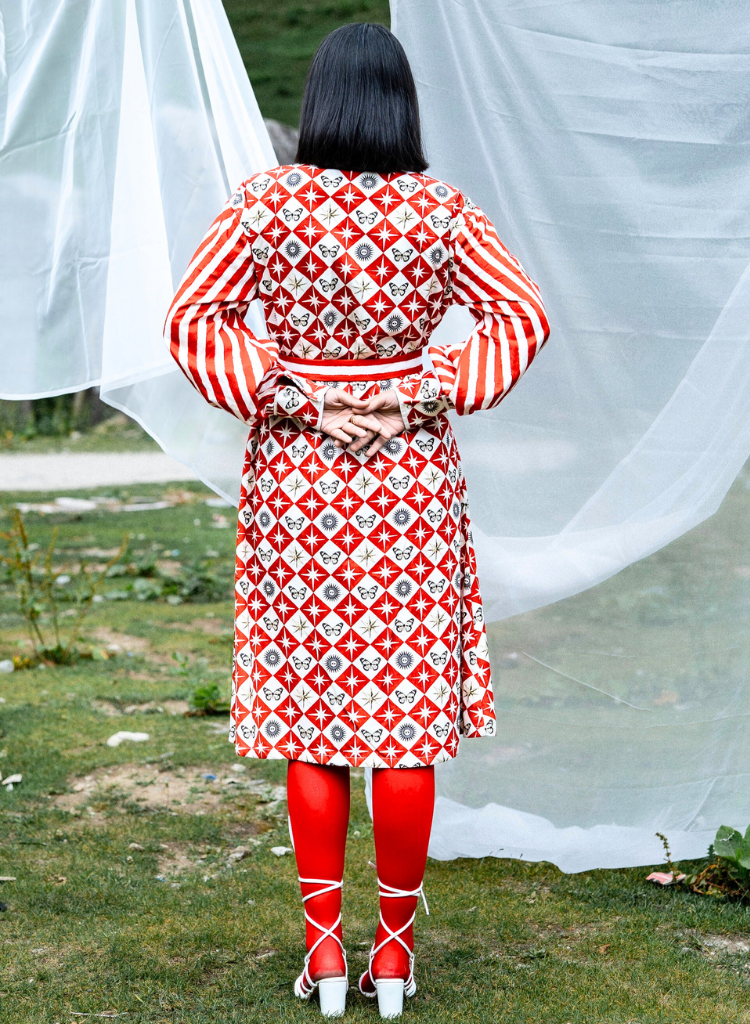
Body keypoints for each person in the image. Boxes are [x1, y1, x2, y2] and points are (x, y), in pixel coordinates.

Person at [164, 21, 549, 1019]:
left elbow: (191, 318)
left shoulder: (265, 205)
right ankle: (396, 960)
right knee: (404, 718)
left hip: (299, 485)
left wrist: (292, 394)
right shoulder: (441, 210)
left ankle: (326, 956)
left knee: (316, 716)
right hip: (410, 483)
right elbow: (523, 316)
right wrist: (431, 385)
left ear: (322, 101)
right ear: (400, 103)